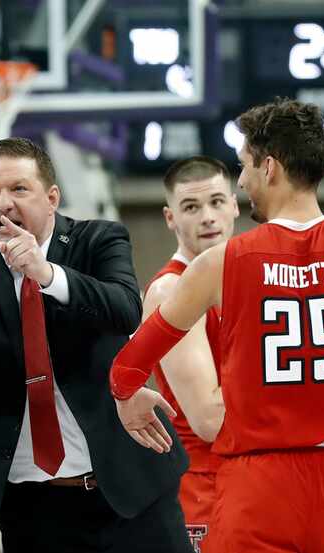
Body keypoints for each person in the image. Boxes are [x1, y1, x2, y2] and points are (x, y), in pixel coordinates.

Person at [110, 98, 324, 552]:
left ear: (270, 168)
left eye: (243, 167)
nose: (242, 181)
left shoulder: (222, 263)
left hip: (259, 482)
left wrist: (125, 393)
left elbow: (132, 362)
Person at [0, 137, 191, 552]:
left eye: (18, 189)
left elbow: (126, 308)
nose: (2, 203)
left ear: (52, 197)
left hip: (125, 487)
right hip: (30, 504)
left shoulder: (98, 240)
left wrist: (48, 274)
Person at [144, 156, 239, 551]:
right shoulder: (172, 291)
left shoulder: (240, 275)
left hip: (247, 481)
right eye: (191, 207)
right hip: (202, 491)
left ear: (235, 204)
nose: (208, 217)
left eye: (217, 202)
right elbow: (208, 420)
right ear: (170, 218)